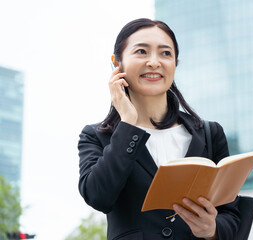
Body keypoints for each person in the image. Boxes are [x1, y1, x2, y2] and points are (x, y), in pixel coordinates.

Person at [78, 18, 242, 240]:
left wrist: (211, 230)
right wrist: (127, 122)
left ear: (175, 64)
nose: (154, 62)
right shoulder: (98, 136)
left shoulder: (209, 134)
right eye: (142, 52)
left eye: (165, 53)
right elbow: (98, 197)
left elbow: (231, 217)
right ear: (117, 63)